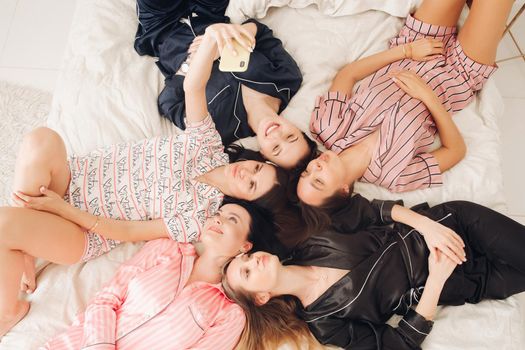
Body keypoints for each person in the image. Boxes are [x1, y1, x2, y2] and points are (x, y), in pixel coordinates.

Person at [0, 23, 286, 337]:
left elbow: (130, 231)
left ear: (246, 200)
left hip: (82, 229)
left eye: (252, 184)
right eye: (257, 168)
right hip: (73, 179)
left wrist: (63, 210)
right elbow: (193, 86)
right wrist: (214, 38)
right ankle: (25, 251)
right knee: (41, 139)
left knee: (4, 225)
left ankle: (10, 311)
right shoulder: (208, 146)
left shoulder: (203, 217)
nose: (247, 172)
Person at [224, 200, 525, 350]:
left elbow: (371, 210)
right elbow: (400, 343)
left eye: (247, 257)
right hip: (465, 281)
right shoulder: (324, 325)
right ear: (261, 298)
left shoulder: (310, 241)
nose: (255, 260)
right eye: (247, 272)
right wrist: (437, 279)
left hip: (453, 226)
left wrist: (427, 226)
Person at [299, 0, 512, 199]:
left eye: (305, 173)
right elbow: (455, 151)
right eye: (318, 181)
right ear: (343, 191)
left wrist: (406, 50)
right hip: (459, 74)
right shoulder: (396, 177)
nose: (314, 167)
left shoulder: (327, 126)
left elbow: (349, 75)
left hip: (418, 42)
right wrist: (429, 98)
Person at [40, 199, 279, 349]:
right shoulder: (166, 248)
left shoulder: (229, 315)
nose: (218, 218)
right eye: (218, 213)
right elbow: (105, 299)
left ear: (245, 246)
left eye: (231, 219)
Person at [134, 0, 318, 169]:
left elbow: (169, 102)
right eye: (290, 137)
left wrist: (194, 62)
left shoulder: (218, 131)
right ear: (297, 129)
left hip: (163, 31)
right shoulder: (288, 79)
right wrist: (231, 39)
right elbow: (261, 32)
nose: (277, 135)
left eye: (276, 148)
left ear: (263, 154)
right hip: (210, 11)